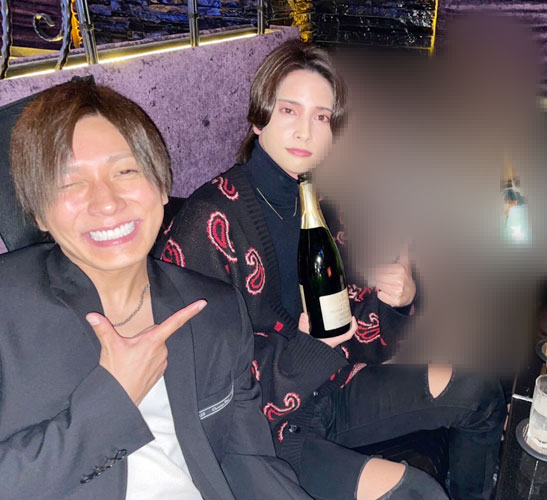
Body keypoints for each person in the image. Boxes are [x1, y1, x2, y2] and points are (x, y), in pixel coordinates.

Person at [158, 40, 506, 500]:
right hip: (267, 434)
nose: (305, 131)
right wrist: (308, 351)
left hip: (332, 386)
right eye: (289, 110)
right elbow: (200, 384)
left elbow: (355, 330)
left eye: (322, 117)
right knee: (417, 493)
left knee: (481, 392)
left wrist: (397, 301)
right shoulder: (210, 221)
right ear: (259, 118)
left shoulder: (321, 207)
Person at [0, 80, 311, 499]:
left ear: (162, 186)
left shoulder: (213, 309)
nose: (106, 202)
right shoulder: (8, 311)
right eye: (70, 182)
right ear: (38, 212)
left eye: (125, 171)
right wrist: (113, 400)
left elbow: (248, 459)